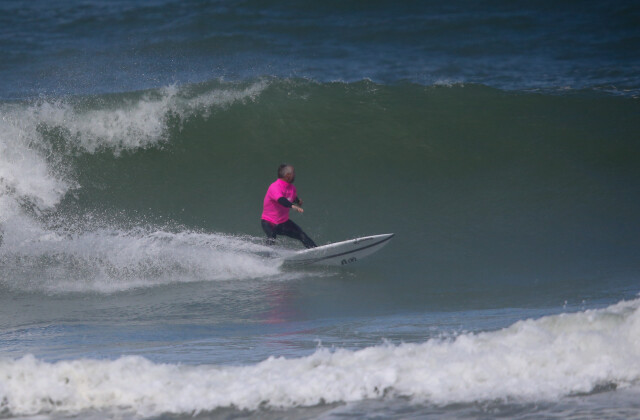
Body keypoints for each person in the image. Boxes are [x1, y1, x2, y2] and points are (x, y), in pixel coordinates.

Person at [261, 164, 317, 248]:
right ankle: (267, 256)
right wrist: (293, 206)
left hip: (283, 222)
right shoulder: (275, 186)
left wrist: (298, 202)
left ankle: (316, 251)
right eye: (293, 173)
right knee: (272, 237)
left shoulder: (292, 188)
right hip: (269, 222)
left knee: (301, 235)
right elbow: (281, 200)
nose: (295, 175)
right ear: (288, 175)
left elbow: (292, 197)